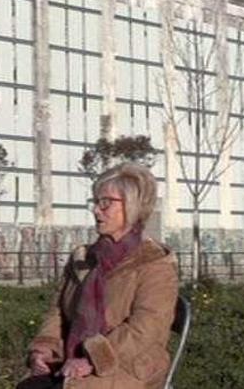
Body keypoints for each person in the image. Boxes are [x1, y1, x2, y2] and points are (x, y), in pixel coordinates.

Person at [19, 163, 178, 389]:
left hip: (128, 365)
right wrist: (45, 349)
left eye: (106, 202)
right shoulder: (84, 259)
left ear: (131, 206)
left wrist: (94, 359)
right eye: (95, 202)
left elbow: (147, 328)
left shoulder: (155, 264)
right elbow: (58, 312)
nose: (96, 210)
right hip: (73, 358)